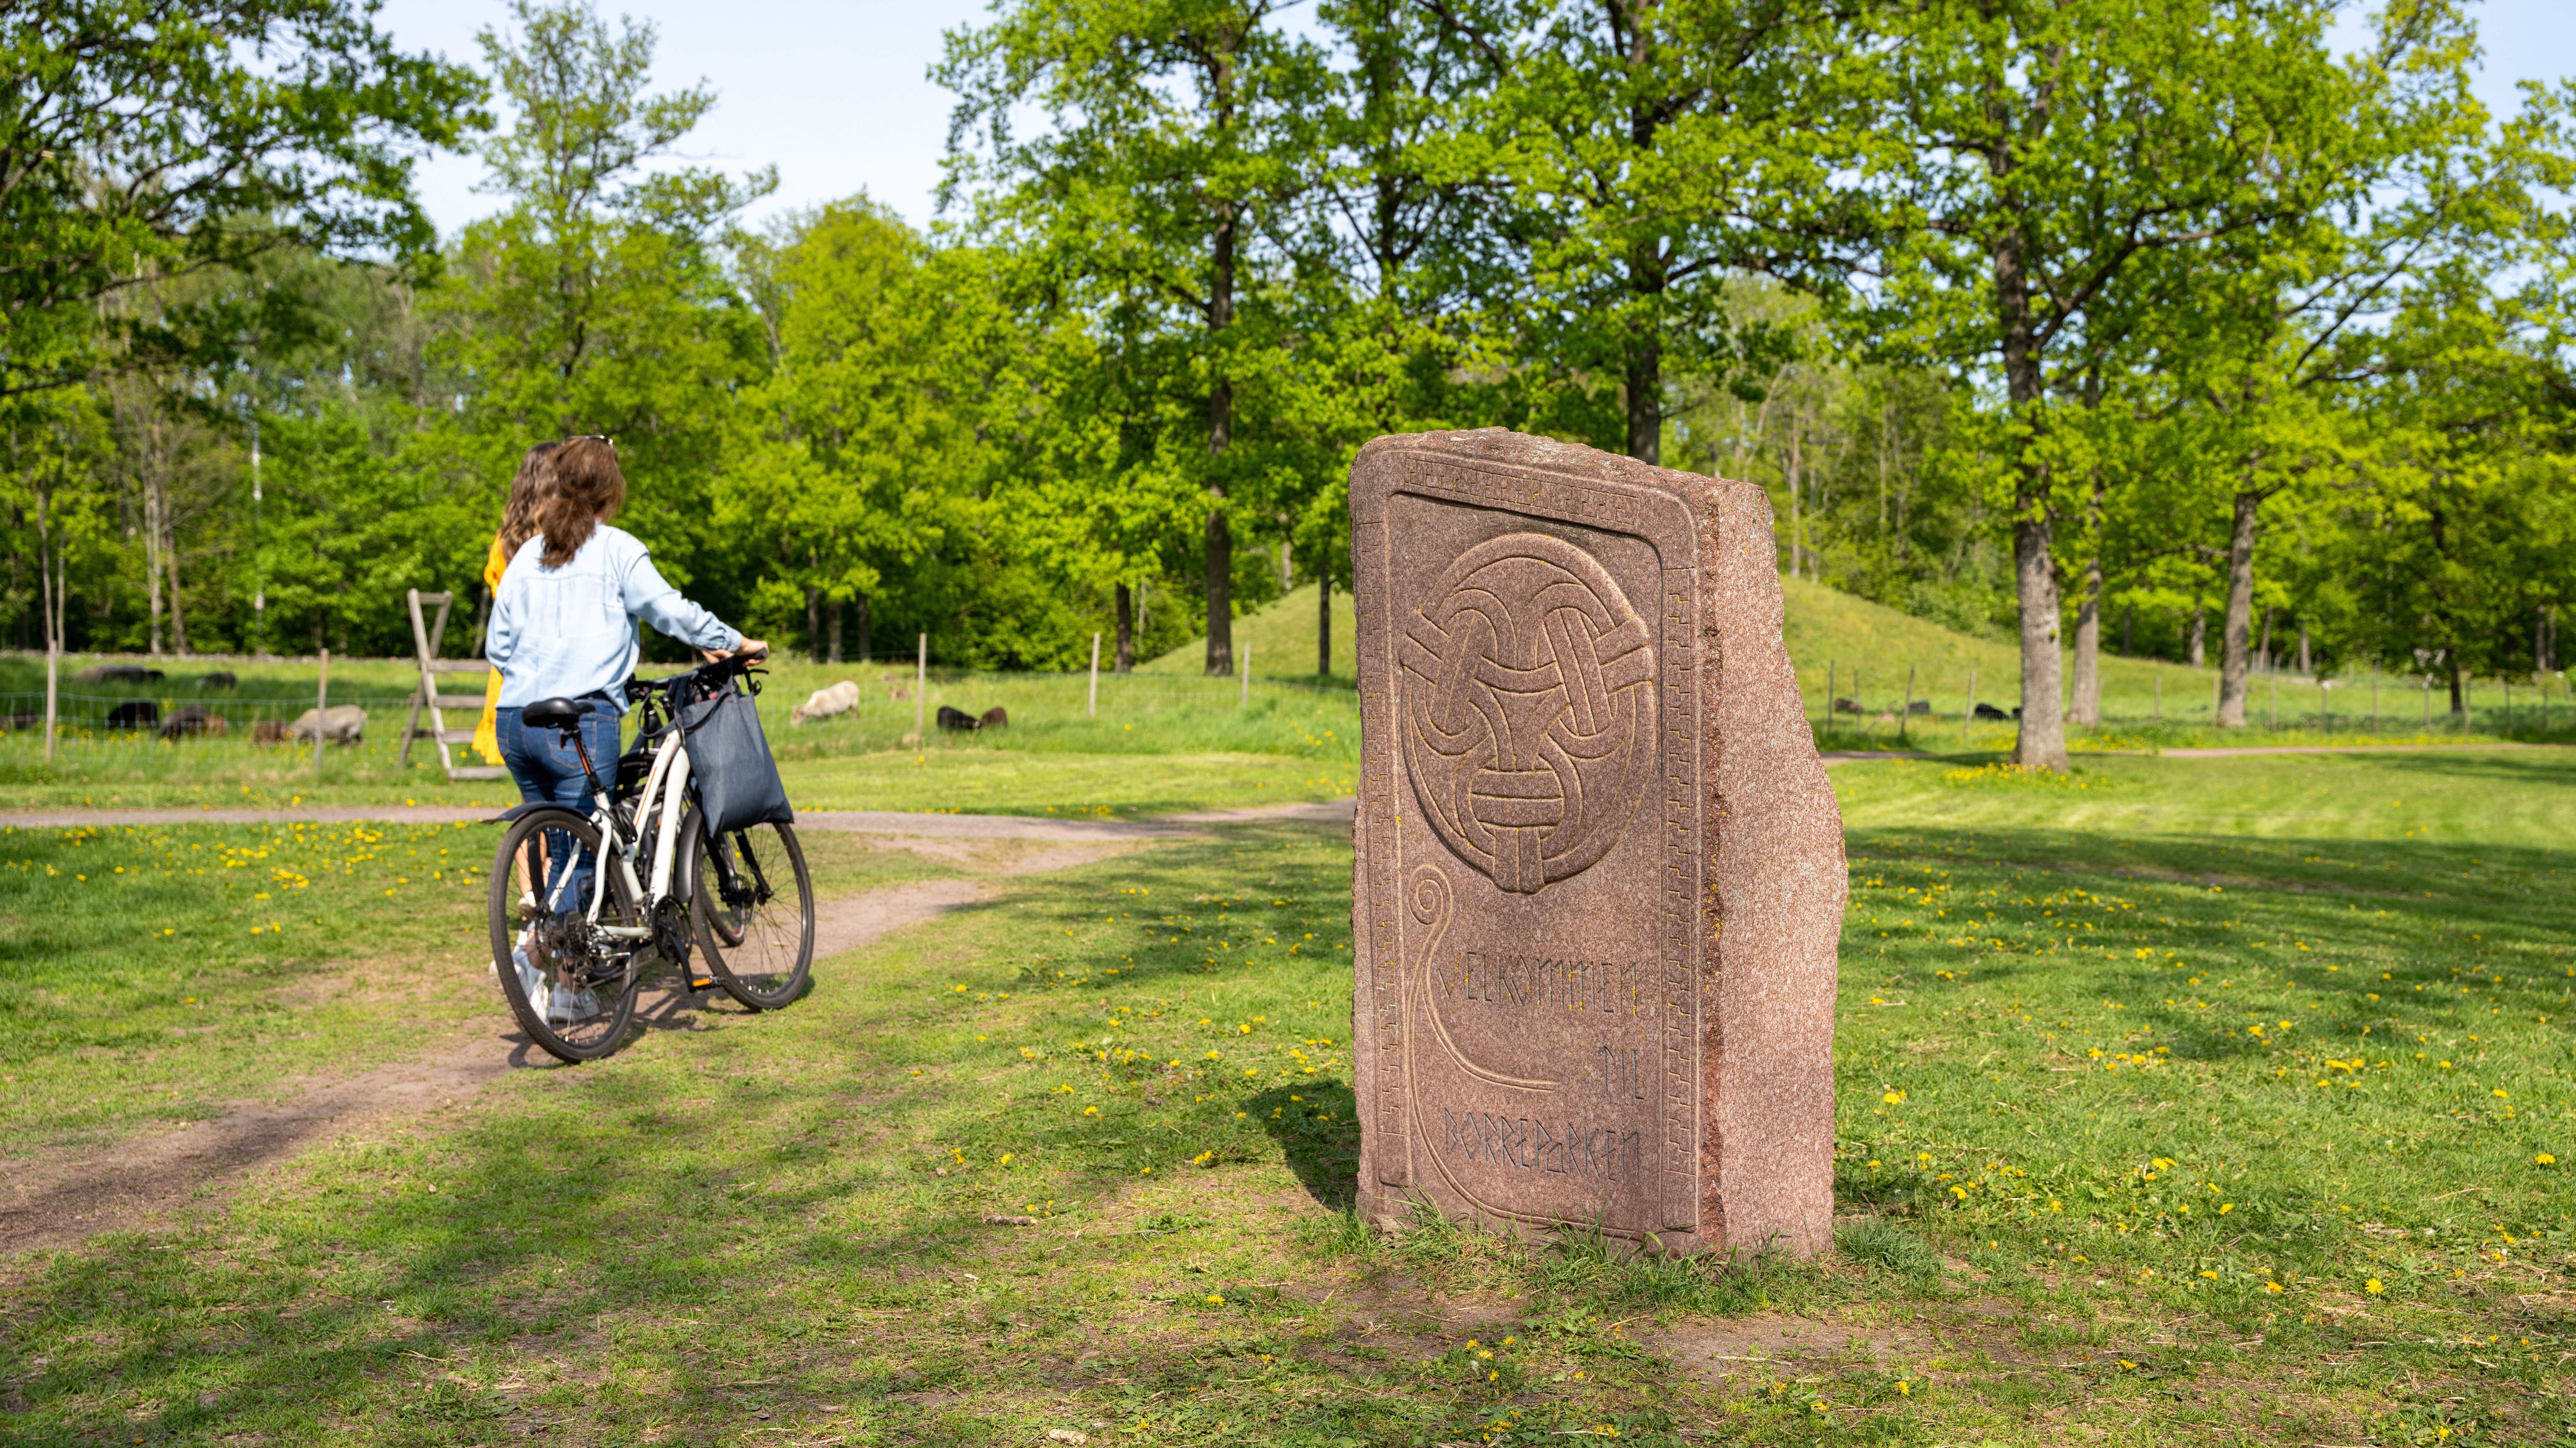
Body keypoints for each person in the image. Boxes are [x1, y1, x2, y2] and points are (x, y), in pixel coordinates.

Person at [486, 436, 765, 1017]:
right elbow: (669, 610)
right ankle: (567, 984)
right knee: (586, 853)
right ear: (610, 492)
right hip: (581, 717)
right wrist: (731, 641)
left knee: (553, 845)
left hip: (515, 719)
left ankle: (537, 945)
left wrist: (541, 672)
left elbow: (498, 645)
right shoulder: (616, 549)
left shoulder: (527, 557)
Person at [472, 443, 559, 767]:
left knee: (534, 799)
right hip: (556, 671)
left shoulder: (504, 541)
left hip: (511, 674)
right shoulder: (565, 542)